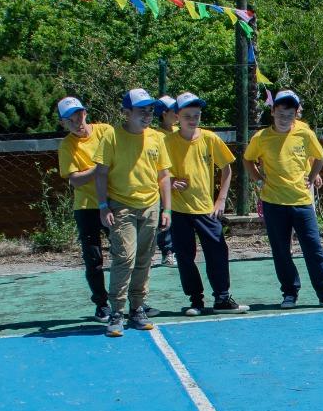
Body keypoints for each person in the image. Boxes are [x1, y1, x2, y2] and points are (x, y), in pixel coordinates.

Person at [243, 89, 323, 309]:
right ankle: (289, 293)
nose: (285, 117)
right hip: (273, 203)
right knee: (281, 251)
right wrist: (259, 180)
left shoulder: (305, 133)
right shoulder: (261, 138)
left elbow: (319, 156)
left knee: (313, 248)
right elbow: (248, 160)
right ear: (272, 111)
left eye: (290, 112)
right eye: (281, 111)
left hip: (301, 202)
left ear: (296, 113)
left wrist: (312, 176)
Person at [95, 88, 171, 337]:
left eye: (150, 110)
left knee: (144, 258)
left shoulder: (157, 138)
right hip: (121, 206)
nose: (147, 115)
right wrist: (104, 205)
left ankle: (137, 308)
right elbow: (101, 173)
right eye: (141, 110)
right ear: (126, 113)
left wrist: (166, 208)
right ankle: (117, 311)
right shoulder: (111, 137)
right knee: (125, 256)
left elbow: (163, 176)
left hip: (150, 206)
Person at [166, 92, 248, 314]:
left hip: (206, 209)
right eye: (187, 115)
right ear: (177, 116)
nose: (192, 119)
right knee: (184, 255)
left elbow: (227, 168)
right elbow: (156, 172)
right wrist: (171, 181)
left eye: (196, 115)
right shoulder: (167, 141)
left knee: (218, 251)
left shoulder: (210, 138)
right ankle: (195, 300)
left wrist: (220, 199)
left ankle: (222, 297)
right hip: (178, 209)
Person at [54, 96, 115, 321]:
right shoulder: (67, 146)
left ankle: (135, 301)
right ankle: (102, 304)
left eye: (78, 115)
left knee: (125, 254)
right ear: (63, 123)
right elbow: (76, 180)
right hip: (86, 208)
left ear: (85, 113)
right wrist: (99, 169)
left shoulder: (106, 131)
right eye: (69, 120)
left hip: (114, 204)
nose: (76, 122)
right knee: (94, 258)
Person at [153, 96, 180, 267]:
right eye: (174, 110)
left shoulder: (180, 130)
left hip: (182, 184)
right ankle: (167, 252)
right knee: (165, 218)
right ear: (164, 114)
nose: (178, 113)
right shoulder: (156, 136)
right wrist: (169, 181)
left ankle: (178, 250)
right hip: (165, 184)